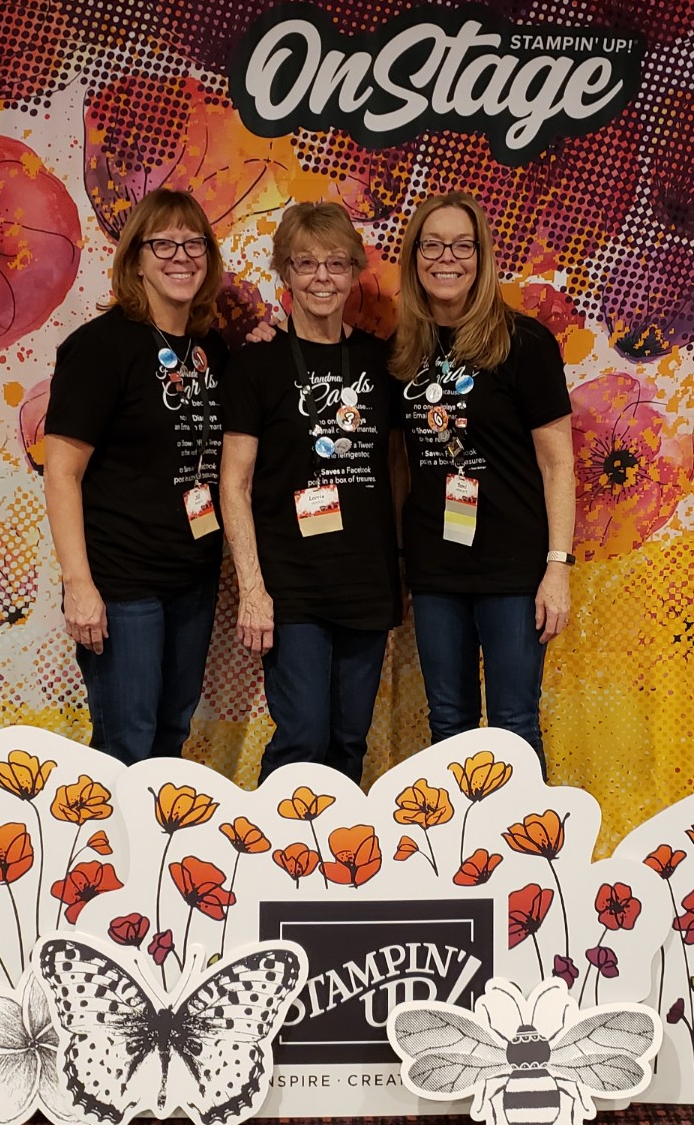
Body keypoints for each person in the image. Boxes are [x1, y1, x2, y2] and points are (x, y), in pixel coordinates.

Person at [42, 188, 228, 765]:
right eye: (163, 244)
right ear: (136, 260)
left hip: (193, 578)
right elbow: (62, 473)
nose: (181, 257)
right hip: (123, 585)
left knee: (171, 736)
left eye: (193, 244)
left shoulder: (211, 349)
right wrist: (79, 585)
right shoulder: (100, 348)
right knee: (126, 745)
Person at [391, 190, 573, 769]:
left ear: (482, 256)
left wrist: (557, 567)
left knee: (514, 723)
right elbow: (400, 464)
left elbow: (558, 464)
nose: (447, 258)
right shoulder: (403, 351)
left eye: (462, 246)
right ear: (414, 257)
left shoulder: (525, 343)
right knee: (449, 722)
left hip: (512, 569)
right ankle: (458, 831)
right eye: (432, 245)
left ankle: (526, 830)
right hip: (435, 568)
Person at [219, 202, 400, 783]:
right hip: (291, 587)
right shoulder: (257, 364)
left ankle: (339, 844)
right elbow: (234, 484)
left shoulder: (381, 361)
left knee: (348, 743)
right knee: (302, 740)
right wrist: (253, 589)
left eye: (336, 263)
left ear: (354, 273)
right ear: (285, 272)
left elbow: (406, 463)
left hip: (366, 583)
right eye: (306, 263)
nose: (322, 277)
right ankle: (278, 842)